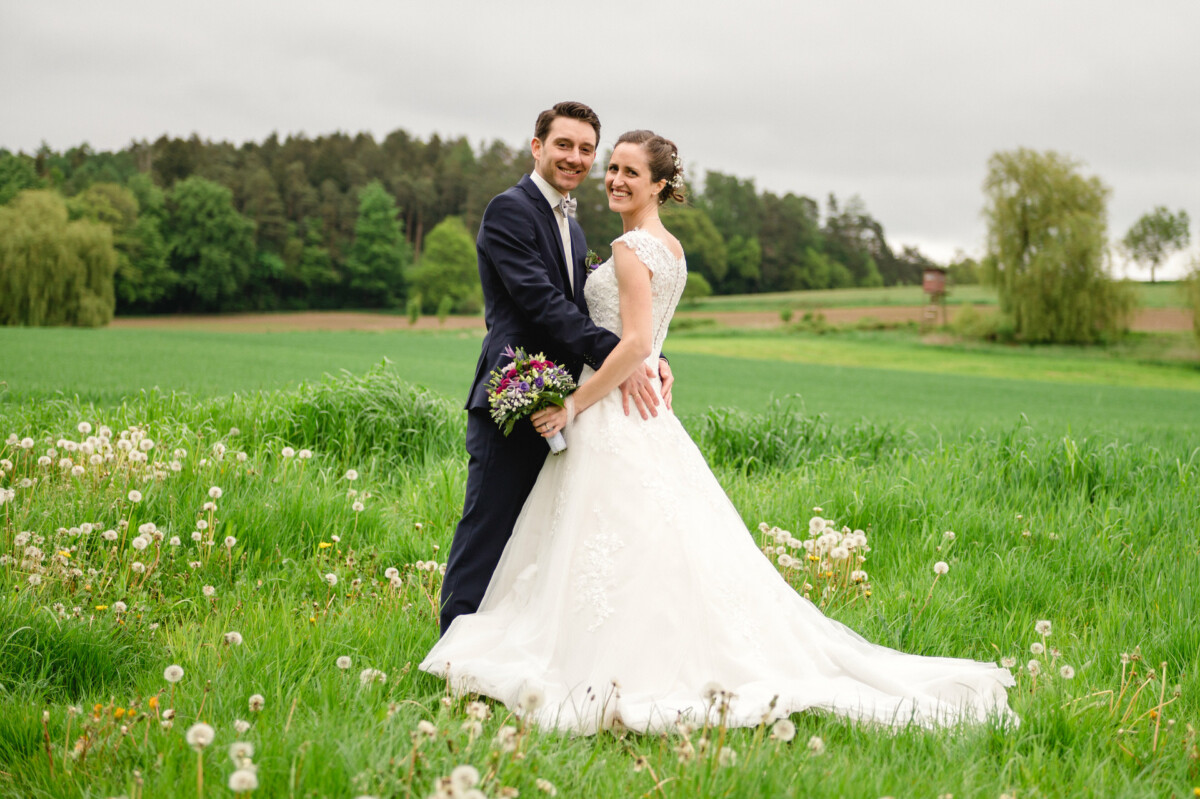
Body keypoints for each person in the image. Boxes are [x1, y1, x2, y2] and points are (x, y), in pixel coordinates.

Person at [422, 130, 1016, 734]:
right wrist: (644, 357)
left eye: (629, 170)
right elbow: (583, 317)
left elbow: (627, 336)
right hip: (618, 407)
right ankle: (505, 638)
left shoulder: (624, 246)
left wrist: (601, 385)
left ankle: (601, 659)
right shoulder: (663, 246)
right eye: (613, 168)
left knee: (614, 539)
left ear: (660, 184)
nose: (614, 178)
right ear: (538, 146)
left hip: (607, 412)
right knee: (618, 536)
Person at [439, 102, 673, 636]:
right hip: (515, 395)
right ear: (537, 146)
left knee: (543, 539)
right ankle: (453, 646)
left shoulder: (573, 223)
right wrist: (629, 354)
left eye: (587, 149)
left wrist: (650, 355)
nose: (576, 158)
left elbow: (599, 310)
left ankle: (514, 643)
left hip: (570, 404)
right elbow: (543, 305)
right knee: (490, 528)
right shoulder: (509, 210)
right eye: (563, 145)